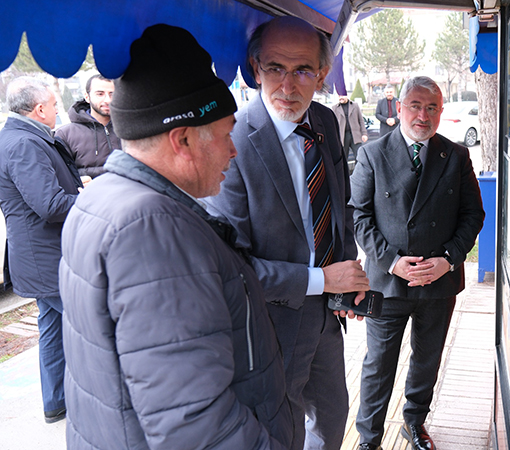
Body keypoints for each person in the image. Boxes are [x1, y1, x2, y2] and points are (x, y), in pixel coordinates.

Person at [59, 24, 292, 449]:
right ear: (182, 139)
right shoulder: (151, 228)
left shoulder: (104, 199)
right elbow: (195, 423)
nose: (233, 151)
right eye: (226, 135)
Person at [204, 17, 369, 450]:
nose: (287, 86)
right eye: (275, 68)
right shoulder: (232, 140)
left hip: (326, 317)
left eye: (302, 71)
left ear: (323, 74)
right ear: (255, 69)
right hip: (268, 324)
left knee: (332, 419)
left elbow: (337, 204)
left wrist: (345, 279)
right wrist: (321, 280)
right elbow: (231, 267)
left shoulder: (325, 121)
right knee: (282, 433)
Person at [350, 76, 485, 450]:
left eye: (431, 108)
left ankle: (414, 423)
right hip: (388, 283)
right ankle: (369, 439)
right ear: (399, 108)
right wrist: (392, 262)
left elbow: (473, 215)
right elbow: (358, 216)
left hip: (438, 282)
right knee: (378, 365)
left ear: (441, 111)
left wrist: (448, 260)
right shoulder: (372, 154)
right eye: (415, 106)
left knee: (427, 360)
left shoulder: (456, 156)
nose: (423, 115)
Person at [0, 76, 82, 425]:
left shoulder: (21, 137)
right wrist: (91, 199)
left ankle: (56, 401)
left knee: (52, 328)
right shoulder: (23, 143)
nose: (57, 108)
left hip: (41, 257)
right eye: (53, 103)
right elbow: (49, 204)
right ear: (39, 109)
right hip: (47, 258)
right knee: (90, 324)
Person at [55, 74, 121, 181]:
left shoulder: (129, 129)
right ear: (87, 97)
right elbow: (61, 175)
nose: (107, 100)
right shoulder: (65, 134)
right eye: (100, 94)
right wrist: (78, 183)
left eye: (112, 94)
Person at [331, 94, 368, 172]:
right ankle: (345, 175)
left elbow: (361, 120)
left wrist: (364, 133)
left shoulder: (355, 105)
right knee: (343, 158)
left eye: (342, 95)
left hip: (355, 135)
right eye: (339, 96)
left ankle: (358, 173)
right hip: (342, 136)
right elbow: (332, 124)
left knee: (359, 156)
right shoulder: (334, 108)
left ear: (347, 95)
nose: (341, 97)